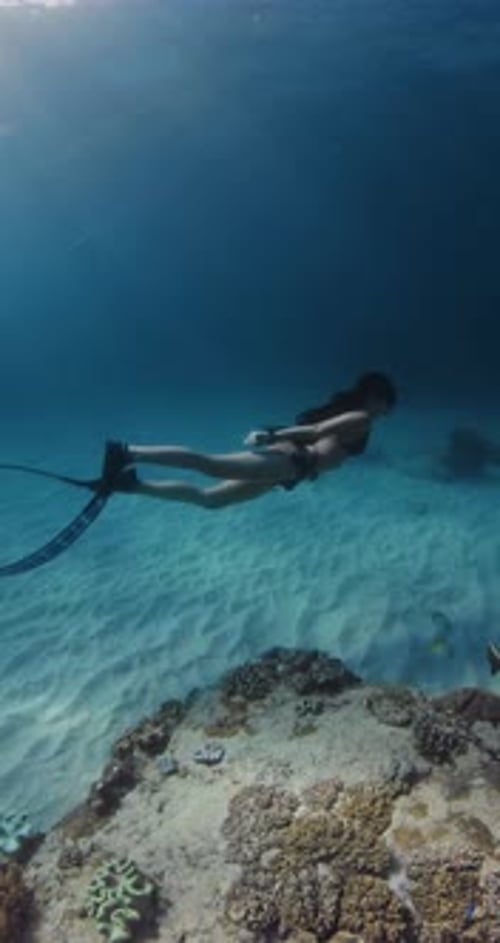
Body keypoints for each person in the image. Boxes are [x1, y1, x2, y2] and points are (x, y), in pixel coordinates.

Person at [104, 371, 396, 510]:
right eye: (387, 403)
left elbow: (320, 436)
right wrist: (273, 435)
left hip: (290, 470)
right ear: (376, 398)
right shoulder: (362, 418)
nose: (388, 410)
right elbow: (317, 432)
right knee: (212, 466)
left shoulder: (357, 416)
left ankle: (132, 484)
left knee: (212, 500)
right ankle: (128, 452)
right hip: (292, 461)